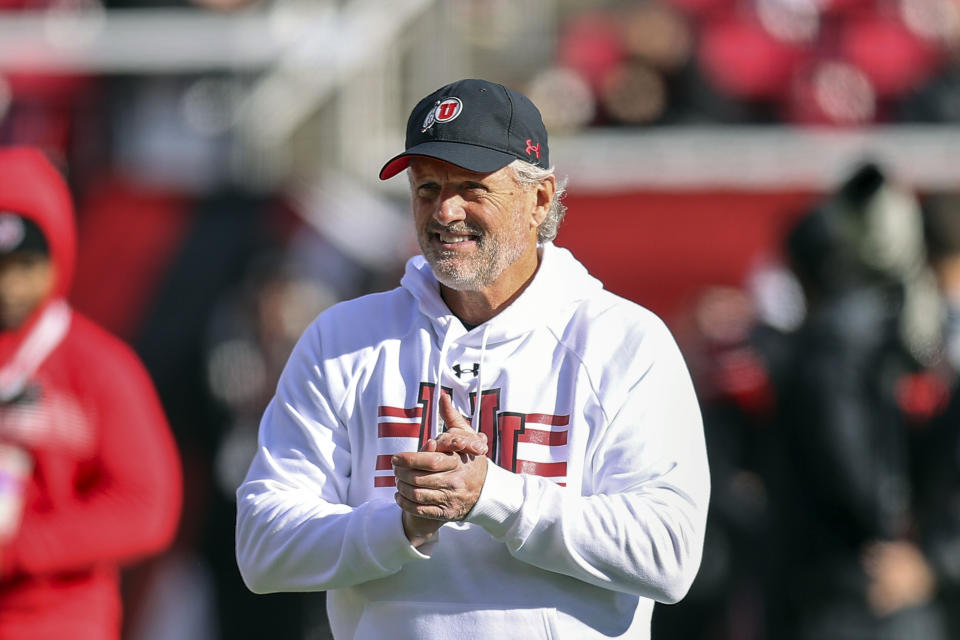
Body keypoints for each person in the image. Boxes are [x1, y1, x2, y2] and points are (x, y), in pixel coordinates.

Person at [235, 78, 710, 640]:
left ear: (539, 199)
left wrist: (493, 496)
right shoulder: (344, 337)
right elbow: (262, 548)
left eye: (471, 187)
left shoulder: (622, 340)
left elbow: (668, 555)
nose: (445, 211)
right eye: (427, 187)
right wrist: (402, 526)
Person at [0, 147, 182, 639]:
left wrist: (21, 546)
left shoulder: (99, 366)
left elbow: (147, 506)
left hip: (58, 620)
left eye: (26, 265)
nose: (9, 285)